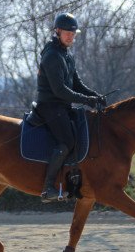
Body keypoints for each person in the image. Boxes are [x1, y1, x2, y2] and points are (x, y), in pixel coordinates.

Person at [36, 12, 106, 202]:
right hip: (49, 106)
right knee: (67, 141)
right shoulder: (52, 55)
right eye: (67, 32)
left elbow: (77, 84)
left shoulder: (66, 55)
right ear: (57, 31)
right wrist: (86, 100)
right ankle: (47, 188)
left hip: (62, 107)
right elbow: (60, 90)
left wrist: (94, 96)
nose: (70, 36)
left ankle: (74, 180)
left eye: (73, 33)